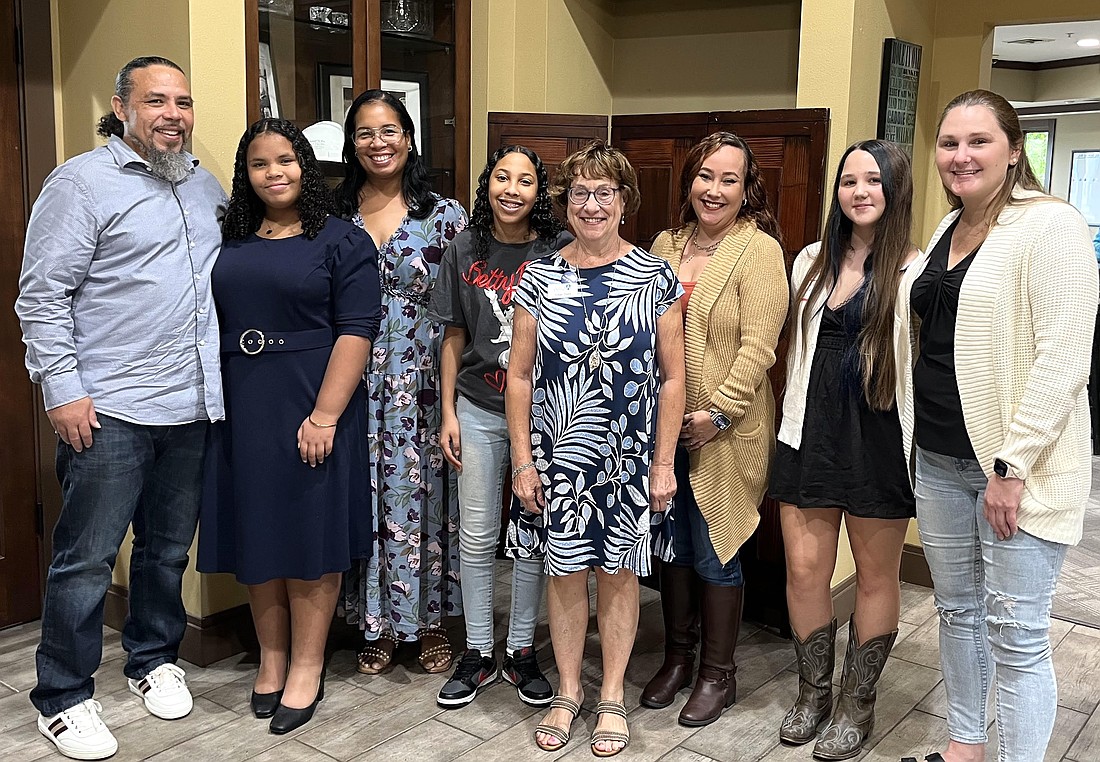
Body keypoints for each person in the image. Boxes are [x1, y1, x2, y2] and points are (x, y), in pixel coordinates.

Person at [15, 56, 226, 761]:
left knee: (166, 552)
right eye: (156, 100)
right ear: (121, 107)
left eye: (183, 102)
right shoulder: (80, 183)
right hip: (108, 411)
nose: (173, 114)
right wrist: (62, 391)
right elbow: (42, 296)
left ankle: (152, 659)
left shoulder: (204, 185)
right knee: (86, 562)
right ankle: (63, 697)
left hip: (191, 407)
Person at [896, 90, 1097, 762]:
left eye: (979, 141)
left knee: (1016, 633)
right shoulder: (947, 230)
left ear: (1014, 151)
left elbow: (1064, 357)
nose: (961, 156)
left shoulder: (1051, 225)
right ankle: (966, 747)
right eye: (949, 143)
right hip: (938, 459)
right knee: (957, 613)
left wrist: (1013, 466)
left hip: (1012, 470)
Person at [198, 119, 381, 734]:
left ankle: (307, 665)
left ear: (306, 165)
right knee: (258, 528)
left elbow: (357, 330)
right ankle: (271, 659)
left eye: (286, 160)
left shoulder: (343, 240)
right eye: (259, 163)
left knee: (308, 533)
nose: (274, 172)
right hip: (242, 400)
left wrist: (325, 415)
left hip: (312, 398)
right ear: (245, 174)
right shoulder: (232, 239)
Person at [507, 141, 686, 757]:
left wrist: (663, 463)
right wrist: (523, 461)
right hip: (556, 454)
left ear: (624, 200)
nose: (591, 204)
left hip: (628, 457)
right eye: (579, 192)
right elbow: (519, 377)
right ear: (564, 202)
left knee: (619, 575)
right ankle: (567, 691)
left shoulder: (656, 277)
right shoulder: (538, 277)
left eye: (603, 192)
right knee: (563, 575)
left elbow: (672, 378)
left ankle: (611, 694)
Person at [768, 139, 917, 759]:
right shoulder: (810, 261)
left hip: (878, 436)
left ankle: (857, 703)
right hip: (808, 430)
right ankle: (813, 694)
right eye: (848, 181)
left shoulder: (913, 269)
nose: (859, 191)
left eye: (873, 181)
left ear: (896, 189)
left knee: (876, 574)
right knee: (805, 569)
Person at [645, 132, 788, 727]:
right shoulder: (664, 244)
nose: (715, 189)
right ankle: (678, 658)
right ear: (690, 181)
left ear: (746, 188)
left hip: (726, 433)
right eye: (706, 176)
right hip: (665, 428)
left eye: (729, 179)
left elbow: (760, 347)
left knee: (715, 549)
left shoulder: (759, 250)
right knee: (673, 548)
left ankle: (717, 673)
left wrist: (718, 413)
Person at [427, 146, 571, 708]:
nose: (512, 189)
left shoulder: (558, 248)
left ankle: (521, 650)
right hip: (478, 408)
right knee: (477, 533)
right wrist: (447, 412)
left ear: (539, 192)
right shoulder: (465, 247)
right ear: (488, 184)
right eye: (502, 177)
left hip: (545, 414)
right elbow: (454, 335)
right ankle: (479, 650)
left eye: (525, 180)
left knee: (534, 531)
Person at [337, 89, 467, 676]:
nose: (378, 143)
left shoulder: (445, 216)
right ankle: (377, 622)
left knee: (427, 497)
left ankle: (431, 621)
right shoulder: (332, 216)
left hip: (425, 382)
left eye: (389, 130)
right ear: (352, 144)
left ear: (409, 139)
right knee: (364, 496)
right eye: (365, 132)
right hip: (352, 377)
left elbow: (466, 308)